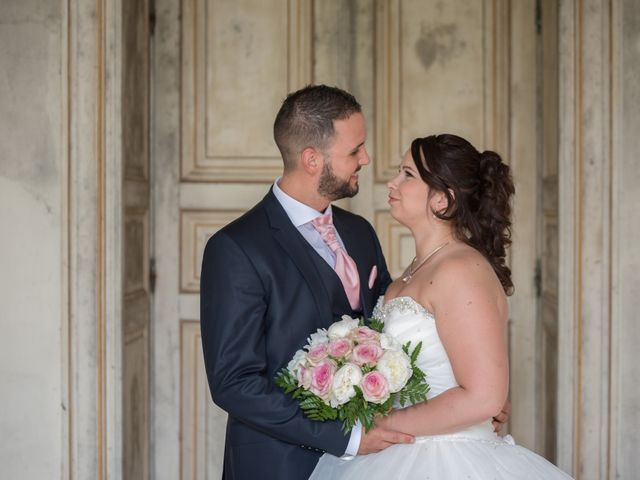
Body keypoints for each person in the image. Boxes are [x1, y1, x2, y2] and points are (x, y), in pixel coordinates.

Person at [310, 134, 573, 479]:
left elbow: (484, 397)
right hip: (400, 452)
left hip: (446, 458)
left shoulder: (460, 269)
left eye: (407, 174)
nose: (392, 182)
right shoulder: (416, 269)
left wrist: (384, 425)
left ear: (443, 200)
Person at [199, 85, 415, 480]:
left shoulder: (360, 232)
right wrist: (345, 437)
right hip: (279, 465)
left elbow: (393, 327)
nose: (366, 159)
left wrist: (461, 392)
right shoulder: (234, 248)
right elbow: (233, 382)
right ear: (311, 159)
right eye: (355, 150)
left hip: (372, 465)